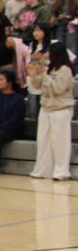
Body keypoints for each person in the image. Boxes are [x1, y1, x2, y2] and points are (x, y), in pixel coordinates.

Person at [28, 42, 74, 181]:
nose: (48, 55)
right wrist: (34, 73)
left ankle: (61, 172)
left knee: (60, 141)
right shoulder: (49, 69)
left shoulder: (65, 70)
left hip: (61, 109)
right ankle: (42, 170)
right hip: (46, 108)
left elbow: (58, 89)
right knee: (43, 141)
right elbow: (36, 86)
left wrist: (44, 76)